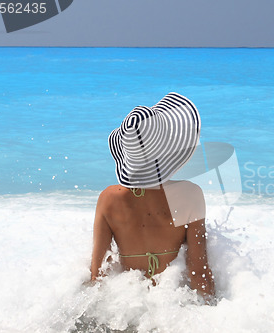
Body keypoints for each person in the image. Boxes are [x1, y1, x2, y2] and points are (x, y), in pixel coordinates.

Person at [90, 92, 215, 303]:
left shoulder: (108, 198)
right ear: (169, 149)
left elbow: (97, 274)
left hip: (127, 305)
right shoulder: (190, 195)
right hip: (169, 306)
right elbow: (197, 272)